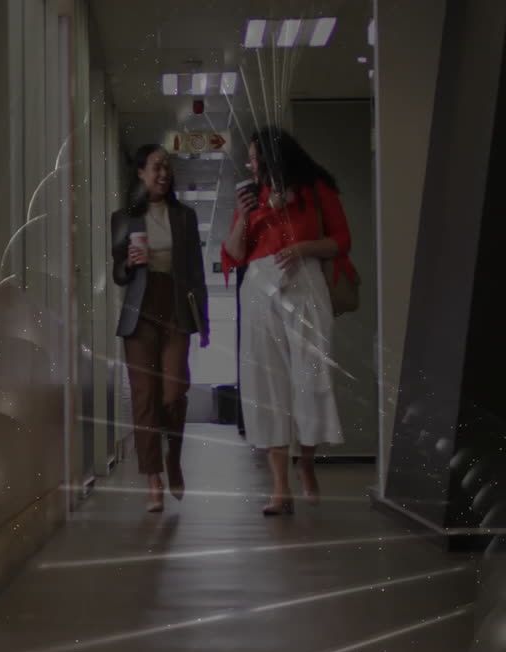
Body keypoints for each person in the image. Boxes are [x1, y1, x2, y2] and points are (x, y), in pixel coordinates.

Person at [222, 126, 354, 516]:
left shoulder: (315, 188)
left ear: (274, 157)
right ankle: (280, 487)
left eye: (255, 157)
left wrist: (303, 247)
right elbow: (232, 253)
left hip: (304, 281)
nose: (250, 164)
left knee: (311, 375)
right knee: (266, 384)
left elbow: (342, 239)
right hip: (259, 285)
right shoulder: (251, 196)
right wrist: (247, 217)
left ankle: (307, 462)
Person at [112, 144, 210, 513]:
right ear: (140, 173)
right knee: (144, 399)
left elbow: (197, 273)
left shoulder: (184, 217)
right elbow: (117, 274)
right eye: (156, 167)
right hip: (139, 310)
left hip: (175, 307)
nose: (163, 173)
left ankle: (174, 458)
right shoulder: (123, 218)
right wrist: (129, 263)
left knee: (173, 393)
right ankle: (152, 479)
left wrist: (204, 321)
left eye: (167, 167)